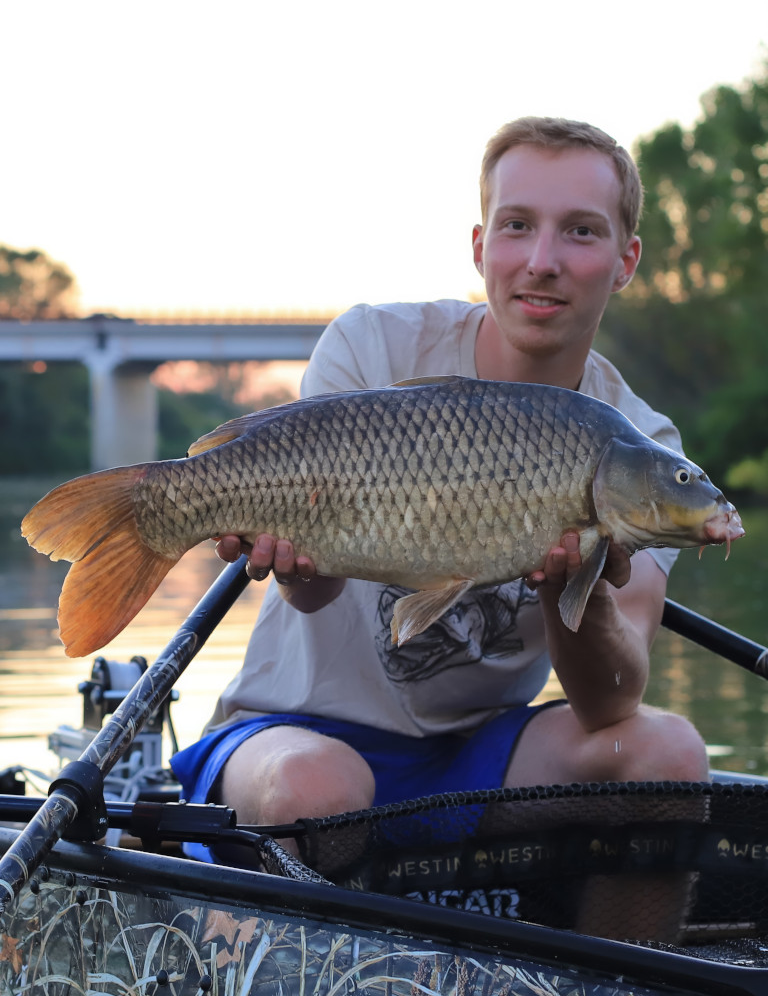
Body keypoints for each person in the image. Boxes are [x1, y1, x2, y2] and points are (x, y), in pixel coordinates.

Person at [171, 116, 709, 857]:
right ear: (483, 246)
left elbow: (610, 700)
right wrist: (291, 563)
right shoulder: (371, 346)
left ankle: (616, 977)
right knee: (317, 787)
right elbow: (311, 589)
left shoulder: (640, 446)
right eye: (518, 226)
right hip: (294, 733)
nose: (542, 261)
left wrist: (566, 585)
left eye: (581, 232)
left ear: (626, 259)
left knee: (670, 757)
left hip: (478, 756)